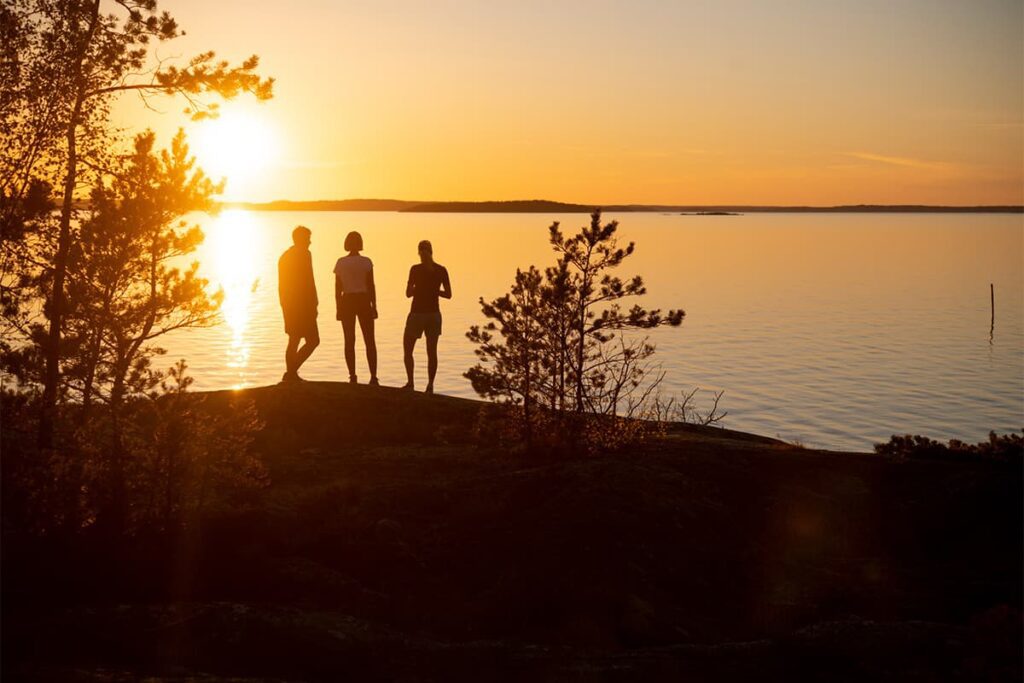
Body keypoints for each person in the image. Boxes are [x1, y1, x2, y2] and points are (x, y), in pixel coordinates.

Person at [403, 240, 451, 394]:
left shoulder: (415, 269)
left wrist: (419, 289)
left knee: (408, 350)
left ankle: (410, 383)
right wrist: (434, 291)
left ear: (419, 252)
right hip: (434, 315)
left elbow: (408, 293)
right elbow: (448, 294)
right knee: (432, 352)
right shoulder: (441, 270)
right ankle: (430, 386)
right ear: (432, 251)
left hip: (417, 314)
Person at [334, 230, 379, 385]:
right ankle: (373, 377)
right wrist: (374, 306)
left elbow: (337, 289)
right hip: (363, 300)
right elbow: (371, 286)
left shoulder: (340, 262)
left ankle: (352, 376)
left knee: (349, 340)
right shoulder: (366, 262)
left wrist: (338, 308)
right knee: (369, 340)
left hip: (347, 301)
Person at [278, 225, 319, 381]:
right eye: (308, 239)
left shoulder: (285, 256)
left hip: (290, 304)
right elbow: (309, 280)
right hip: (301, 305)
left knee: (294, 339)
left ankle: (291, 373)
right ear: (301, 239)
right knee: (312, 340)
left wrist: (285, 304)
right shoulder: (304, 255)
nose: (310, 242)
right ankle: (291, 373)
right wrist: (314, 303)